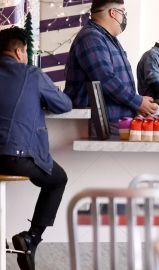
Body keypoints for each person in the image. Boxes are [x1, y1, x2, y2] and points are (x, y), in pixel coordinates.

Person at [0, 27, 72, 270]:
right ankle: (31, 238)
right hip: (15, 158)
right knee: (58, 179)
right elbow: (63, 105)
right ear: (19, 51)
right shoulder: (31, 74)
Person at [65, 0, 158, 135]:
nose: (124, 17)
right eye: (123, 12)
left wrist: (136, 106)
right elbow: (106, 79)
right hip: (104, 123)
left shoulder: (109, 39)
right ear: (113, 13)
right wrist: (138, 102)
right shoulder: (91, 37)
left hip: (117, 121)